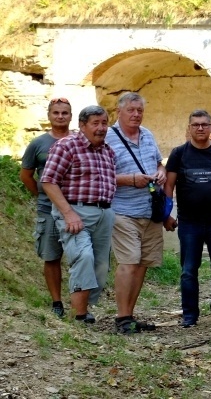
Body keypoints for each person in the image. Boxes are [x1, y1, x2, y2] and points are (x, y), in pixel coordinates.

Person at [40, 105, 115, 325]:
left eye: (104, 123)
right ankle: (79, 315)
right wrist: (68, 213)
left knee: (101, 265)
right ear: (82, 125)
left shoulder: (107, 150)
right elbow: (48, 181)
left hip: (104, 212)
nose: (101, 128)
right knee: (84, 258)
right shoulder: (66, 146)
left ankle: (85, 307)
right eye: (95, 123)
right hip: (75, 211)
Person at [104, 92, 166, 334]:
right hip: (123, 211)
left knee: (142, 264)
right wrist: (130, 180)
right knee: (128, 262)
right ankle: (121, 317)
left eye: (139, 110)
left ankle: (129, 315)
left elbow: (158, 162)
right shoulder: (108, 137)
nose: (136, 114)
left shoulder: (148, 134)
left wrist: (160, 171)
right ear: (118, 111)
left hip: (149, 211)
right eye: (131, 110)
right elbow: (101, 175)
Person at [164, 110, 211, 327]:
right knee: (188, 270)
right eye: (195, 125)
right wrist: (167, 214)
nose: (200, 128)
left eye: (204, 124)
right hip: (189, 222)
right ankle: (190, 314)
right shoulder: (179, 153)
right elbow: (168, 186)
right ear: (189, 128)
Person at [20, 97, 72, 317]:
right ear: (49, 116)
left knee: (81, 256)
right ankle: (57, 303)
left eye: (64, 113)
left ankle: (81, 303)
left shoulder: (79, 140)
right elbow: (26, 175)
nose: (60, 116)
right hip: (47, 208)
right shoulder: (38, 143)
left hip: (77, 206)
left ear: (71, 116)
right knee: (51, 256)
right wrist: (41, 193)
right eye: (56, 113)